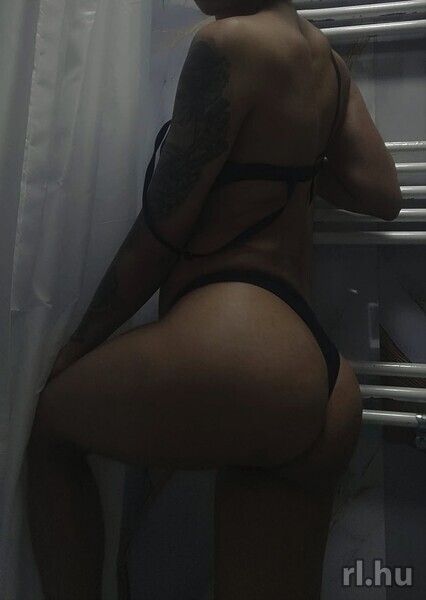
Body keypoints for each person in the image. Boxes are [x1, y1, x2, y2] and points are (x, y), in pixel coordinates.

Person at [26, 1, 402, 598]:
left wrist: (77, 345)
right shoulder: (326, 62)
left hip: (245, 347)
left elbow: (162, 231)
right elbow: (381, 191)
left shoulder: (227, 43)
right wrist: (290, 156)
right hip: (325, 386)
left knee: (51, 427)